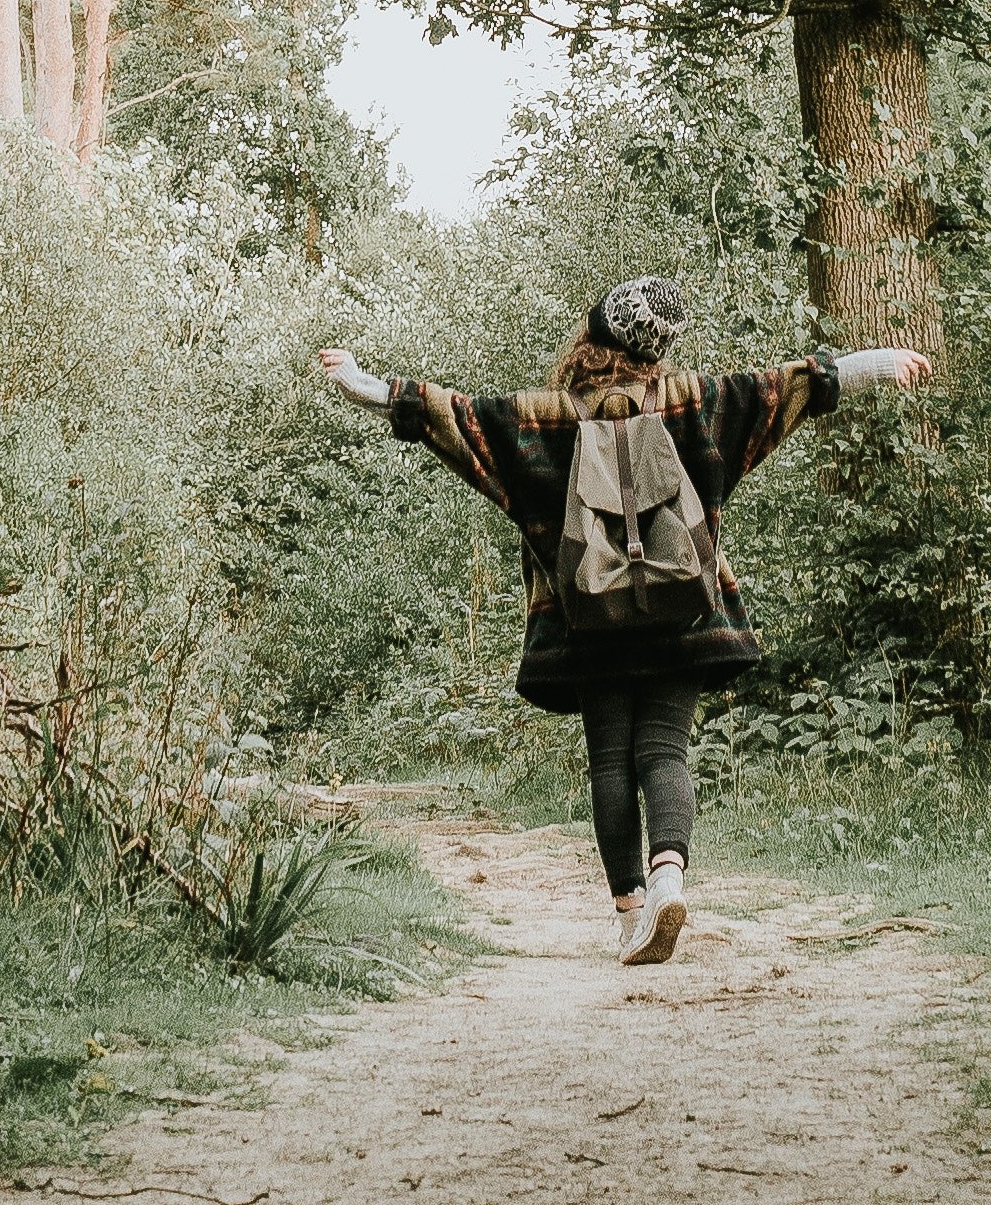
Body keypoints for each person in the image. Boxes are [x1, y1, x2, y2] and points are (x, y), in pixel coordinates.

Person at [317, 276, 931, 966]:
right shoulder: (694, 403)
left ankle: (631, 915)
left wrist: (361, 382)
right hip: (683, 613)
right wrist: (878, 362)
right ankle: (670, 876)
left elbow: (450, 415)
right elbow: (784, 387)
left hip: (587, 618)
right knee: (665, 751)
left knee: (611, 756)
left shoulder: (541, 417)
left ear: (594, 337)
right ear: (656, 348)